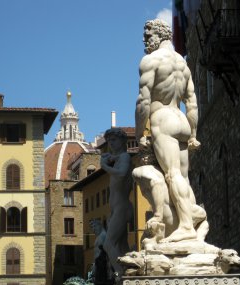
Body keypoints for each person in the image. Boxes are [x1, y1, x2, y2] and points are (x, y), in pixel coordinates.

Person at [135, 19, 201, 243]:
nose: (145, 41)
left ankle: (185, 226)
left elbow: (143, 102)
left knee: (172, 175)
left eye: (147, 36)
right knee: (183, 178)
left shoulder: (150, 61)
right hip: (181, 119)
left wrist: (138, 134)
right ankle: (193, 220)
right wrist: (192, 134)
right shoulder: (183, 64)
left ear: (159, 34)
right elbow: (191, 103)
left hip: (163, 119)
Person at [101, 128, 133, 276]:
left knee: (108, 244)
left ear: (122, 141)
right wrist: (111, 159)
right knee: (122, 246)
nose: (111, 144)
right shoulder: (119, 158)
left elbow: (121, 174)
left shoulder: (125, 157)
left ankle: (121, 275)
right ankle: (131, 270)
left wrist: (105, 167)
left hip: (122, 207)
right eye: (109, 141)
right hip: (116, 208)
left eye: (114, 140)